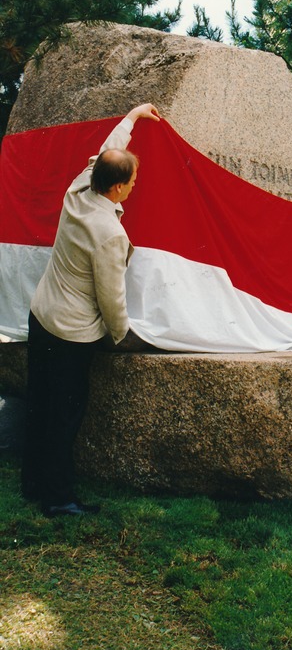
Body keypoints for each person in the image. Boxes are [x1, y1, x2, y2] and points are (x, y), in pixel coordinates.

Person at [21, 103, 161, 516]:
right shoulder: (110, 234)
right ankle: (59, 498)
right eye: (133, 180)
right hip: (70, 335)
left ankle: (33, 483)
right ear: (117, 188)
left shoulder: (79, 189)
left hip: (43, 315)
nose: (135, 185)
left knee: (39, 402)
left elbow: (107, 151)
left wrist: (133, 118)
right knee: (64, 417)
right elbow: (111, 298)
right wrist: (122, 336)